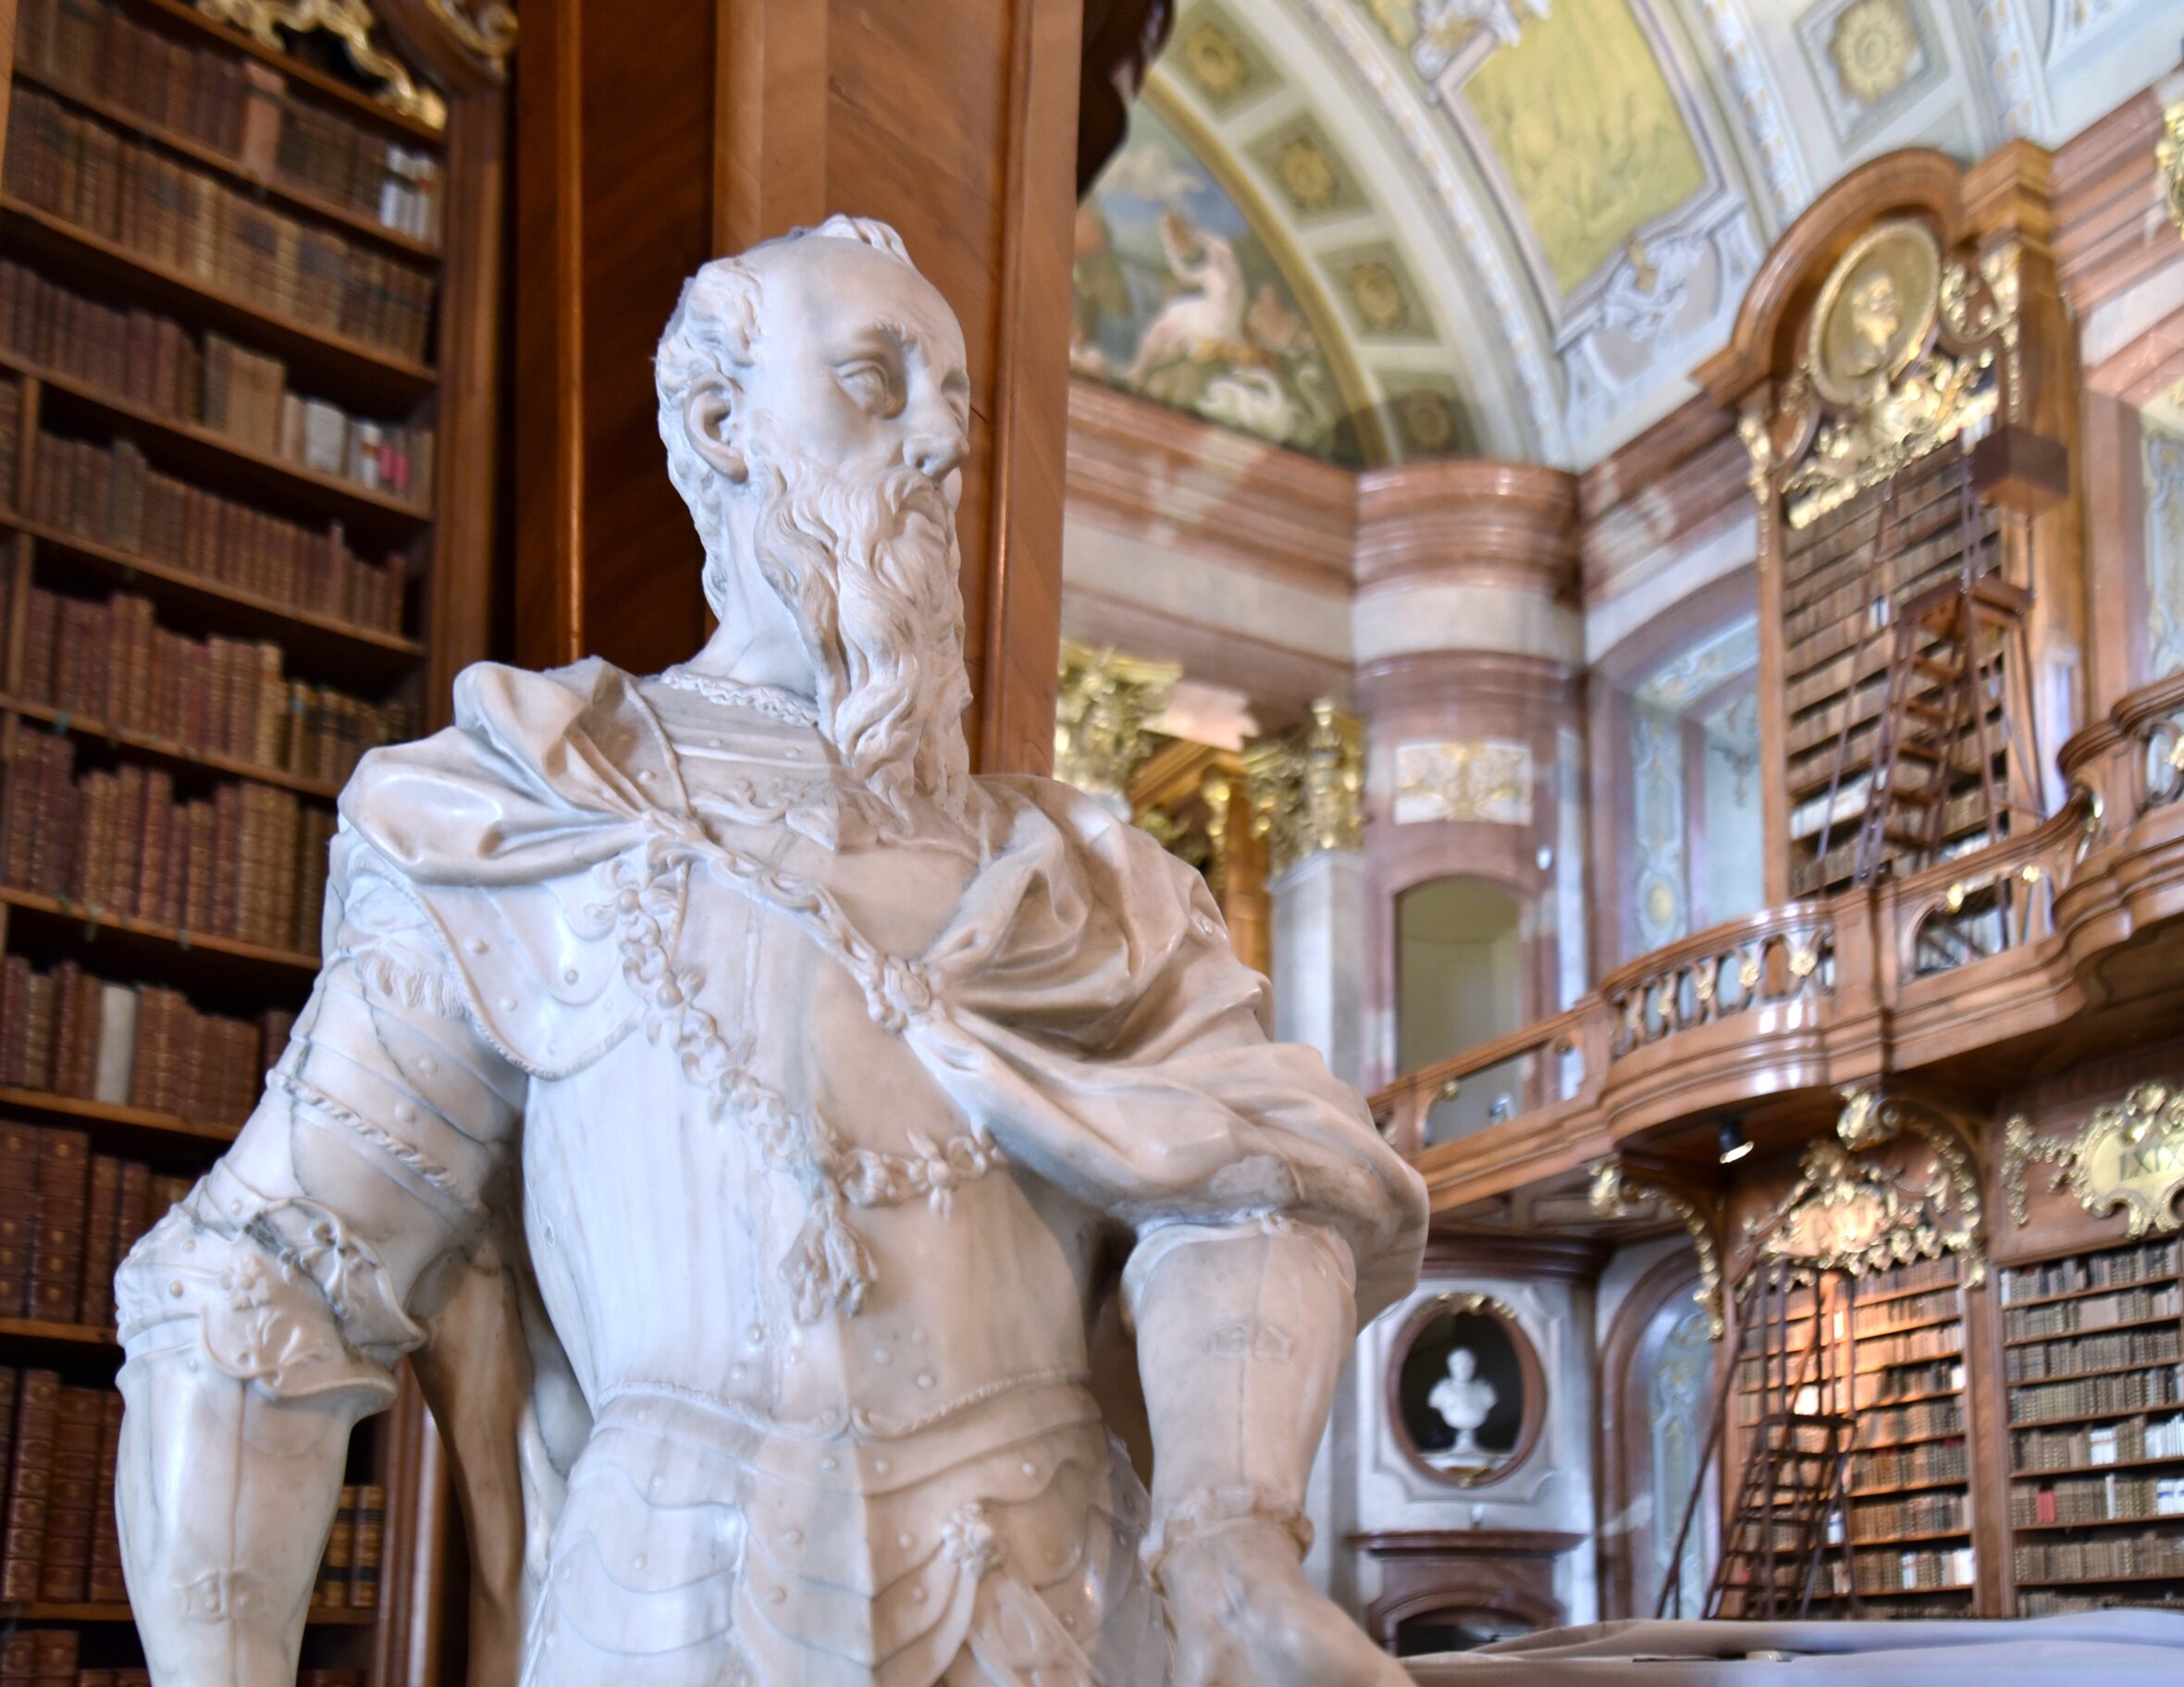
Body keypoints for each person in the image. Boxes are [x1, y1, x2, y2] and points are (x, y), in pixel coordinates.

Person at [112, 216, 1428, 1687]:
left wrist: (1234, 1542)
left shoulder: (1095, 886)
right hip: (664, 1616)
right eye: (878, 382)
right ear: (721, 424)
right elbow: (259, 1293)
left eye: (955, 401)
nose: (941, 442)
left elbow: (1259, 1188)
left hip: (1060, 1620)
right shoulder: (532, 814)